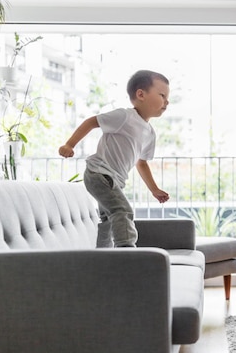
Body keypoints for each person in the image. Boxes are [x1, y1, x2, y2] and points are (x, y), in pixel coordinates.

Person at [59, 69, 170, 248]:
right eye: (162, 95)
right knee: (122, 211)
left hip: (112, 180)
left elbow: (141, 163)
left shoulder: (149, 133)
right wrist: (69, 145)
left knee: (108, 219)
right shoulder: (124, 116)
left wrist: (154, 189)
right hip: (99, 173)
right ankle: (126, 253)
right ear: (141, 94)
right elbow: (91, 122)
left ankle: (103, 255)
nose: (167, 101)